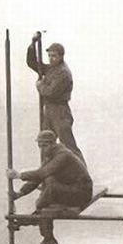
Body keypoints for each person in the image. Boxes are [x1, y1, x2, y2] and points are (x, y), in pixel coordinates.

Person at [7, 130, 93, 244]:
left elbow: (43, 173)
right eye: (40, 146)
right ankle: (45, 233)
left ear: (52, 143)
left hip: (81, 193)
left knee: (49, 190)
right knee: (49, 185)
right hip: (72, 190)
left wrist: (19, 175)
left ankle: (37, 221)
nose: (42, 149)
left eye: (44, 146)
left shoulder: (63, 155)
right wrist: (20, 193)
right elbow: (39, 177)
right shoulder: (52, 155)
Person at [27, 35, 85, 163]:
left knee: (68, 145)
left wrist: (40, 85)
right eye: (49, 56)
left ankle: (82, 174)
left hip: (60, 111)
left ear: (61, 56)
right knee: (46, 142)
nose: (51, 58)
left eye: (54, 56)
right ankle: (47, 173)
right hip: (49, 110)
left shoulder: (63, 72)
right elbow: (32, 63)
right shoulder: (52, 69)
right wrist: (33, 44)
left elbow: (50, 93)